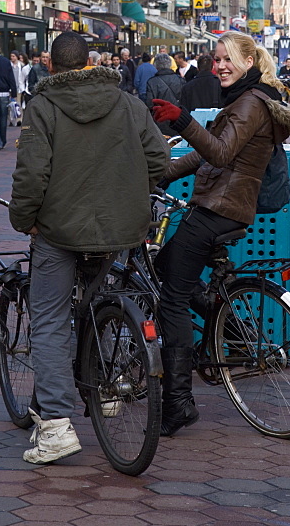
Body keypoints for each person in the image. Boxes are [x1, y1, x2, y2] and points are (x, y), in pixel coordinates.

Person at [9, 30, 170, 464]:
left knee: (49, 320)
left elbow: (31, 176)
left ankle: (57, 427)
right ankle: (109, 388)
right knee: (107, 297)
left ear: (50, 65)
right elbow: (159, 161)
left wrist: (25, 221)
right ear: (89, 63)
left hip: (59, 230)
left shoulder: (42, 107)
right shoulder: (128, 103)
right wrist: (131, 197)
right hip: (121, 228)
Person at [150, 31, 290, 436]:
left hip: (219, 210)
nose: (219, 65)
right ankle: (236, 335)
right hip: (224, 207)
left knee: (172, 300)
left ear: (249, 61)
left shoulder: (251, 102)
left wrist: (181, 119)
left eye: (227, 59)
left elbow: (220, 152)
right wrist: (161, 174)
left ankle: (179, 403)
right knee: (168, 266)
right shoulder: (249, 98)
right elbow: (209, 154)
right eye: (215, 59)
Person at [145, 53, 185, 133]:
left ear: (156, 66)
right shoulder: (180, 80)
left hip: (160, 119)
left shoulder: (152, 82)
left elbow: (149, 104)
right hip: (178, 120)